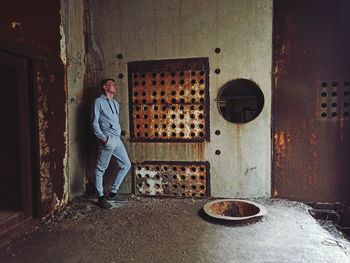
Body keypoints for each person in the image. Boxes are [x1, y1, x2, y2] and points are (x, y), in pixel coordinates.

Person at [92, 78, 131, 209]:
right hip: (107, 140)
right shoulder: (98, 102)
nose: (114, 86)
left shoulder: (115, 103)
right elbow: (94, 122)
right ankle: (101, 197)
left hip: (117, 140)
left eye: (114, 84)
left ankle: (113, 193)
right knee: (100, 169)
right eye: (111, 84)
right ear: (104, 87)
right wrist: (103, 138)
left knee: (126, 164)